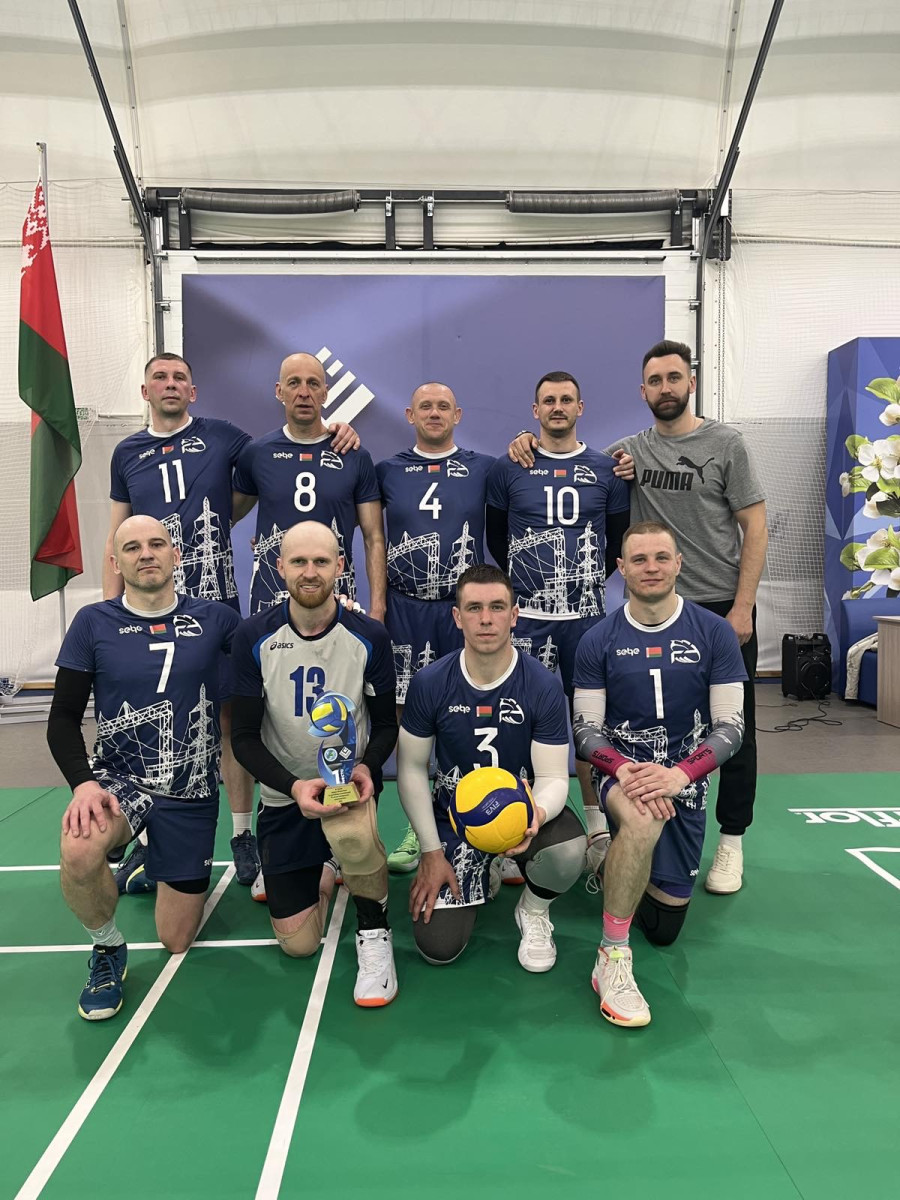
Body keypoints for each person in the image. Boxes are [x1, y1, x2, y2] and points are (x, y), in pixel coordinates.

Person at [509, 343, 768, 895]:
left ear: (690, 383)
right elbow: (568, 458)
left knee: (734, 730)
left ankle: (731, 842)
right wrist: (525, 442)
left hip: (718, 608)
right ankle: (618, 822)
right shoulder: (625, 454)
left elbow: (756, 524)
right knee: (632, 725)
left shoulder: (726, 444)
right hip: (647, 613)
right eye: (655, 380)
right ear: (642, 390)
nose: (665, 388)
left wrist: (743, 605)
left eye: (674, 377)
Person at [104, 352, 357, 892]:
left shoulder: (227, 439)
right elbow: (115, 536)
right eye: (159, 378)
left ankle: (243, 834)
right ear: (145, 391)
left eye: (180, 377)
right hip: (145, 608)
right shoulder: (126, 452)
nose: (170, 385)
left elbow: (293, 450)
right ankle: (147, 838)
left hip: (214, 603)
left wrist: (339, 430)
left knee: (229, 718)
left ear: (194, 391)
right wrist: (110, 612)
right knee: (148, 720)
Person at [48, 516, 241, 1019]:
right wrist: (83, 785)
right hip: (119, 781)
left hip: (191, 790)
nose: (146, 554)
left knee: (176, 939)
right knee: (79, 847)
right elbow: (62, 719)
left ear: (176, 555)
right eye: (132, 548)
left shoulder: (218, 618)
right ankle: (107, 946)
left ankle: (148, 856)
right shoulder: (93, 623)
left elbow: (278, 640)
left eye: (157, 544)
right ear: (116, 563)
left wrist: (341, 612)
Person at [572, 522, 746, 1027]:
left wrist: (679, 776)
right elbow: (585, 731)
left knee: (665, 929)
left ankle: (618, 864)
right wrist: (624, 770)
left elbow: (732, 727)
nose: (651, 568)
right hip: (622, 774)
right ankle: (612, 955)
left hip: (684, 780)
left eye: (661, 558)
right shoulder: (598, 639)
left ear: (678, 563)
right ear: (621, 568)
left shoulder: (713, 632)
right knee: (643, 820)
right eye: (639, 559)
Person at [229, 521, 400, 1007]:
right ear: (279, 566)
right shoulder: (253, 636)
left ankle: (374, 930)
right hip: (286, 796)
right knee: (299, 944)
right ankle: (327, 865)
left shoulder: (369, 636)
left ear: (340, 567)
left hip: (345, 788)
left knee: (355, 837)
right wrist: (293, 786)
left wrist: (367, 766)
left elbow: (385, 725)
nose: (310, 572)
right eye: (299, 561)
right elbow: (243, 739)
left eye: (322, 561)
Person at [397, 564, 587, 972]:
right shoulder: (430, 682)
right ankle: (483, 870)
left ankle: (533, 910)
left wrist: (535, 815)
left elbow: (554, 777)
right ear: (457, 616)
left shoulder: (541, 683)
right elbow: (411, 769)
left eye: (497, 607)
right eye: (474, 608)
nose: (486, 619)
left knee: (569, 850)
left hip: (521, 815)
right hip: (456, 821)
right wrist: (430, 852)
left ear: (514, 615)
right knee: (438, 948)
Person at [487, 371, 630, 876]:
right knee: (518, 723)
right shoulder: (510, 467)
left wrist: (581, 585)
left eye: (566, 399)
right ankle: (510, 826)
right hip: (528, 620)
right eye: (548, 400)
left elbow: (616, 542)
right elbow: (497, 539)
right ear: (535, 410)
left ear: (580, 408)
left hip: (585, 620)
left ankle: (597, 828)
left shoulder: (607, 469)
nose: (557, 407)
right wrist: (531, 583)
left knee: (589, 722)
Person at [376, 382, 494, 874]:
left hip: (461, 608)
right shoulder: (387, 470)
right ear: (409, 415)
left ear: (458, 414)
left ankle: (485, 821)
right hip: (406, 609)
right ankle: (417, 826)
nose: (434, 413)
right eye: (425, 406)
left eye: (443, 406)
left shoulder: (485, 468)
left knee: (471, 713)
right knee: (411, 719)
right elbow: (372, 535)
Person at [232, 352, 386, 623]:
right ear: (279, 391)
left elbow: (373, 537)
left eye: (313, 384)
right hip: (272, 598)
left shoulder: (353, 455)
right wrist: (268, 538)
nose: (304, 393)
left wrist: (378, 609)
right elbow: (226, 517)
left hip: (336, 598)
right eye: (294, 383)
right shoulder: (258, 453)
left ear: (325, 393)